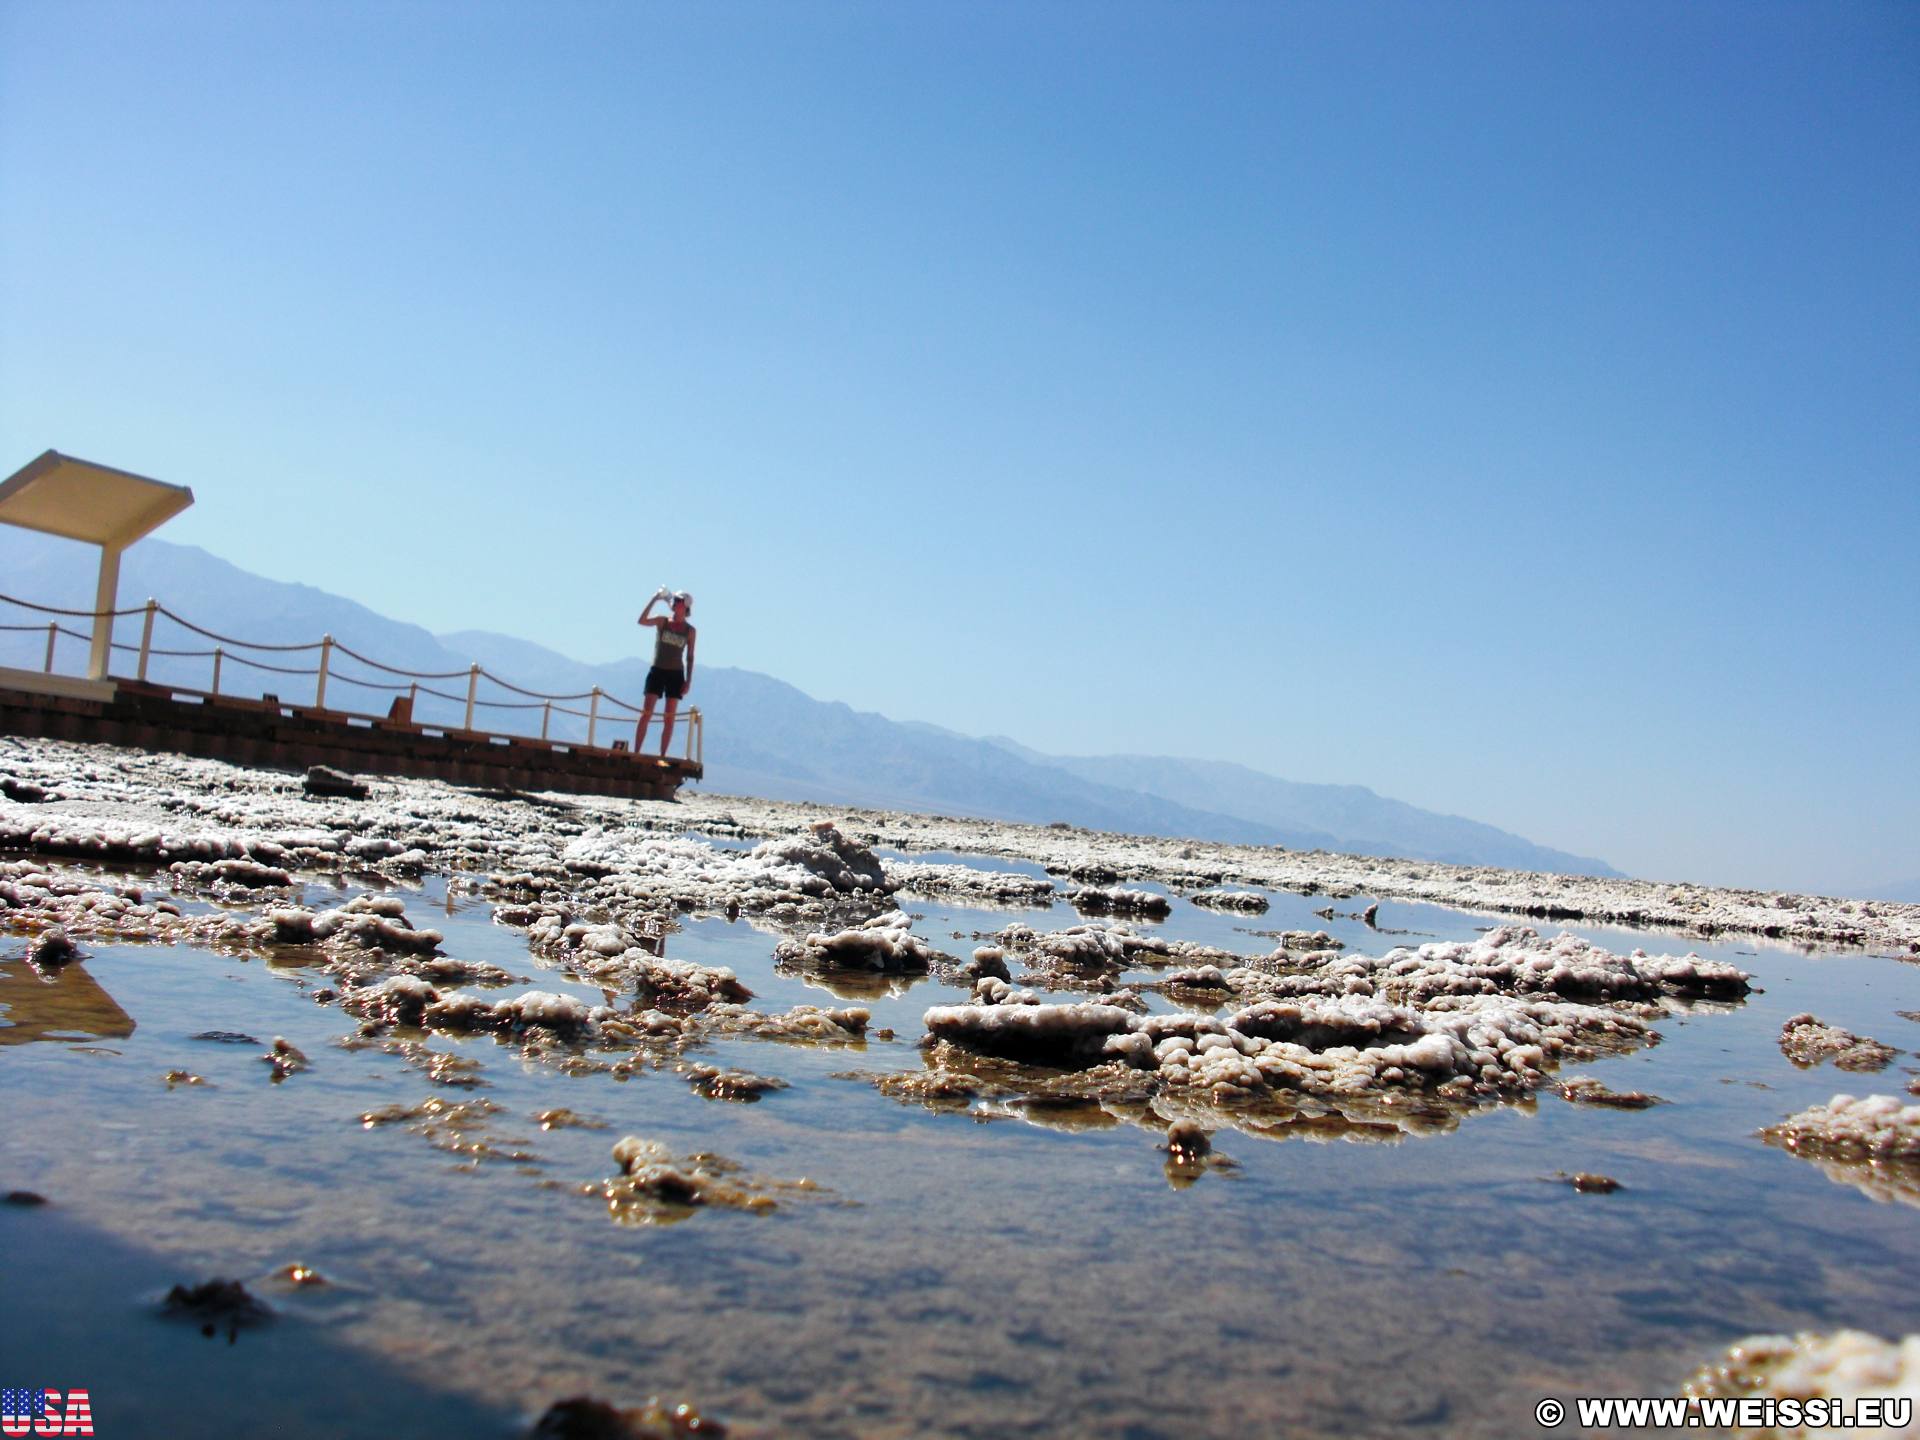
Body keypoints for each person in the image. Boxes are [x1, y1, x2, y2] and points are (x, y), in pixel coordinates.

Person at [635, 589, 696, 757]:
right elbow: (642, 621)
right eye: (674, 599)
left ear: (685, 606)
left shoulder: (690, 631)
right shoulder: (663, 622)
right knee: (646, 713)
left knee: (669, 717)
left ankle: (662, 755)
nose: (675, 602)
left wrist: (688, 680)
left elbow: (690, 657)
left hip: (676, 674)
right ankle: (636, 752)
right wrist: (655, 598)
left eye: (679, 600)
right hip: (658, 670)